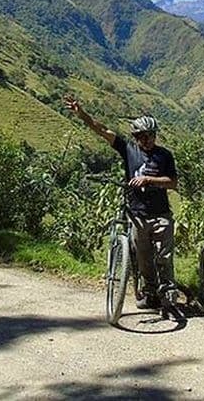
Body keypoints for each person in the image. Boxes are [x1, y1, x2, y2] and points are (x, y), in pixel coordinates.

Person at [63, 95, 179, 311]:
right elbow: (102, 130)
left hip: (161, 213)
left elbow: (172, 182)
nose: (147, 140)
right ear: (136, 137)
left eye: (151, 135)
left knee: (164, 257)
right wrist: (82, 114)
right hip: (137, 215)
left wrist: (148, 180)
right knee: (144, 258)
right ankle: (151, 294)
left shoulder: (165, 155)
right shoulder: (128, 149)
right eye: (142, 136)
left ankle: (169, 297)